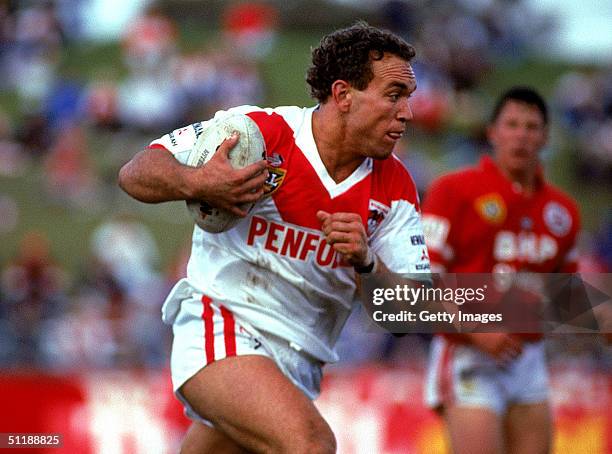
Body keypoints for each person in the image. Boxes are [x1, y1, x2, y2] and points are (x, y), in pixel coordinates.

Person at [118, 22, 431, 454]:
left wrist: (367, 263)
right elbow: (135, 173)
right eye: (394, 95)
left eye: (408, 98)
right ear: (343, 95)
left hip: (295, 368)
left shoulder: (396, 188)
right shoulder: (259, 133)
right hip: (221, 325)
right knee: (312, 445)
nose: (407, 113)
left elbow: (415, 315)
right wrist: (198, 181)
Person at [422, 87, 581, 454]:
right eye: (512, 124)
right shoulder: (453, 191)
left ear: (546, 136)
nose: (521, 135)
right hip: (467, 354)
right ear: (492, 131)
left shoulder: (563, 211)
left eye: (532, 126)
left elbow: (568, 297)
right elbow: (423, 281)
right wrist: (478, 330)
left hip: (527, 358)